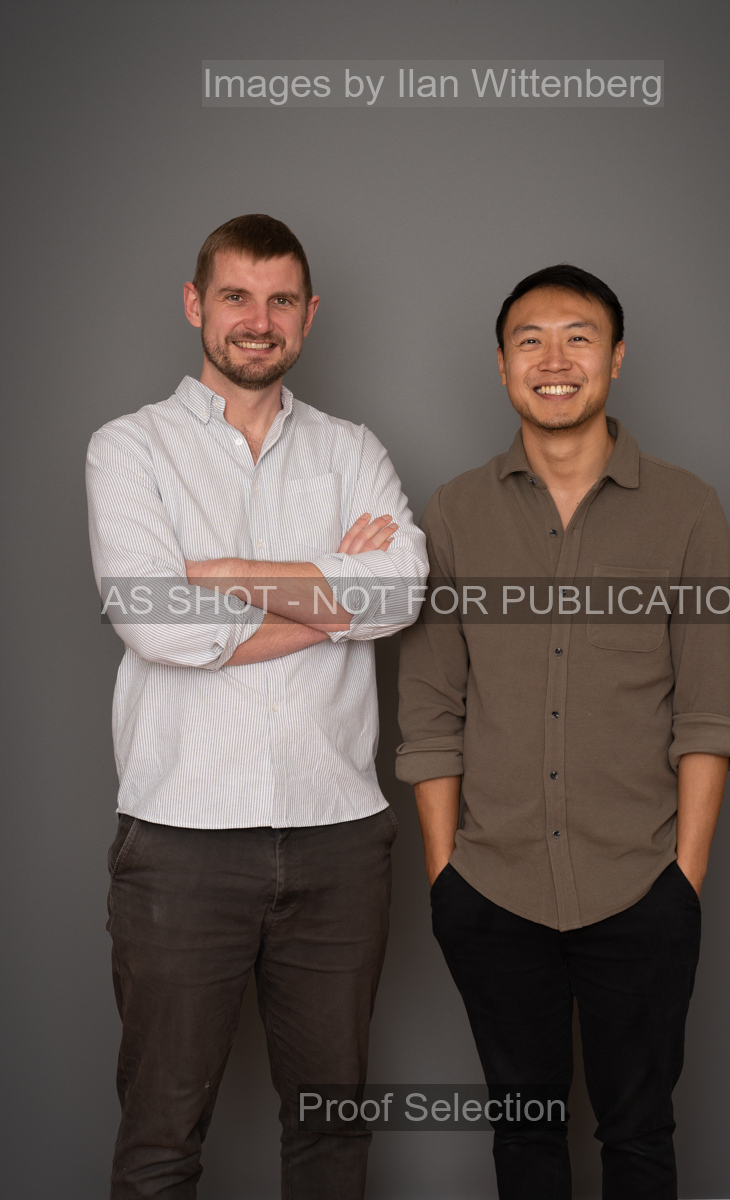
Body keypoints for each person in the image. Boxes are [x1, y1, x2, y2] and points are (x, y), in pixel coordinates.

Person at [86, 213, 427, 1199]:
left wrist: (224, 573)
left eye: (280, 301)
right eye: (236, 296)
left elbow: (400, 593)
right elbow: (155, 622)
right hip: (180, 840)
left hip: (339, 841)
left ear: (309, 315)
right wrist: (331, 601)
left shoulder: (352, 450)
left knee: (331, 1134)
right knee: (161, 1141)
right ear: (196, 304)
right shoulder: (130, 448)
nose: (257, 319)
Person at [396, 264, 730, 1199]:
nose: (553, 361)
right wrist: (446, 877)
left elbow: (706, 712)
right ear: (501, 364)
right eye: (530, 341)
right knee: (523, 1138)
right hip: (491, 889)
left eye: (578, 338)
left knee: (639, 1136)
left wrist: (682, 881)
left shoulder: (687, 511)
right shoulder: (454, 513)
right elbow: (430, 708)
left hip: (641, 885)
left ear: (616, 358)